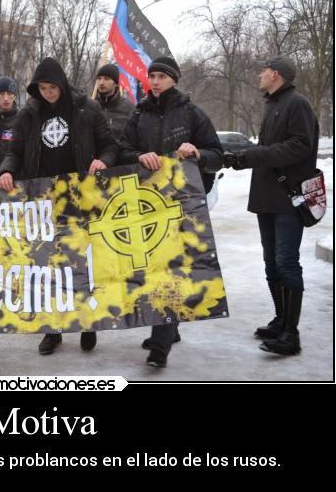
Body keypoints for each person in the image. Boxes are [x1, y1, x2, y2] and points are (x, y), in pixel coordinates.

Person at [0, 57, 119, 355]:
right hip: (43, 201)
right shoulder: (28, 114)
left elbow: (110, 145)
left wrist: (104, 160)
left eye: (53, 87)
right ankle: (53, 329)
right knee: (47, 266)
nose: (48, 93)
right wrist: (6, 170)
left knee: (81, 264)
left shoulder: (86, 109)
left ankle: (87, 323)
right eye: (42, 88)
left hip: (81, 200)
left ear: (62, 85)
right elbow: (16, 151)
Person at [119, 56, 224, 368]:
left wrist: (198, 153)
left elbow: (217, 155)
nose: (155, 81)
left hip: (183, 205)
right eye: (151, 76)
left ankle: (160, 349)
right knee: (153, 269)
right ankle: (168, 327)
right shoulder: (139, 113)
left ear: (174, 80)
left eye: (161, 76)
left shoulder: (192, 113)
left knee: (173, 270)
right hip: (147, 204)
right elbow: (122, 150)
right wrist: (140, 155)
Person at [223, 55, 319, 356]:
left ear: (275, 75)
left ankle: (291, 335)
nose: (260, 75)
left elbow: (300, 146)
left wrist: (255, 156)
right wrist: (243, 158)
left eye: (263, 71)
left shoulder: (297, 104)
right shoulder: (273, 104)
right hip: (268, 197)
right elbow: (267, 149)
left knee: (287, 262)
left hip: (288, 198)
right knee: (271, 262)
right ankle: (280, 320)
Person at [94, 64, 135, 140]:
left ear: (115, 83)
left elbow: (132, 139)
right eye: (99, 78)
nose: (101, 82)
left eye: (106, 79)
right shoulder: (90, 106)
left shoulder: (129, 108)